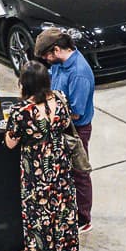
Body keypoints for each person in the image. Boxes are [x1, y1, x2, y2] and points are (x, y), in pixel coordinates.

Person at [3, 60, 81, 251]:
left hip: (37, 173)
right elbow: (65, 124)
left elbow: (11, 143)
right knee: (64, 209)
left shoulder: (21, 111)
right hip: (61, 164)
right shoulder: (59, 98)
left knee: (40, 216)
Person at [35, 28, 96, 232]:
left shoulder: (79, 73)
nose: (46, 60)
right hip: (60, 126)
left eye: (46, 56)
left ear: (57, 49)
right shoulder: (60, 65)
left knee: (79, 172)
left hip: (76, 131)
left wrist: (49, 114)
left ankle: (83, 218)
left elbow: (76, 113)